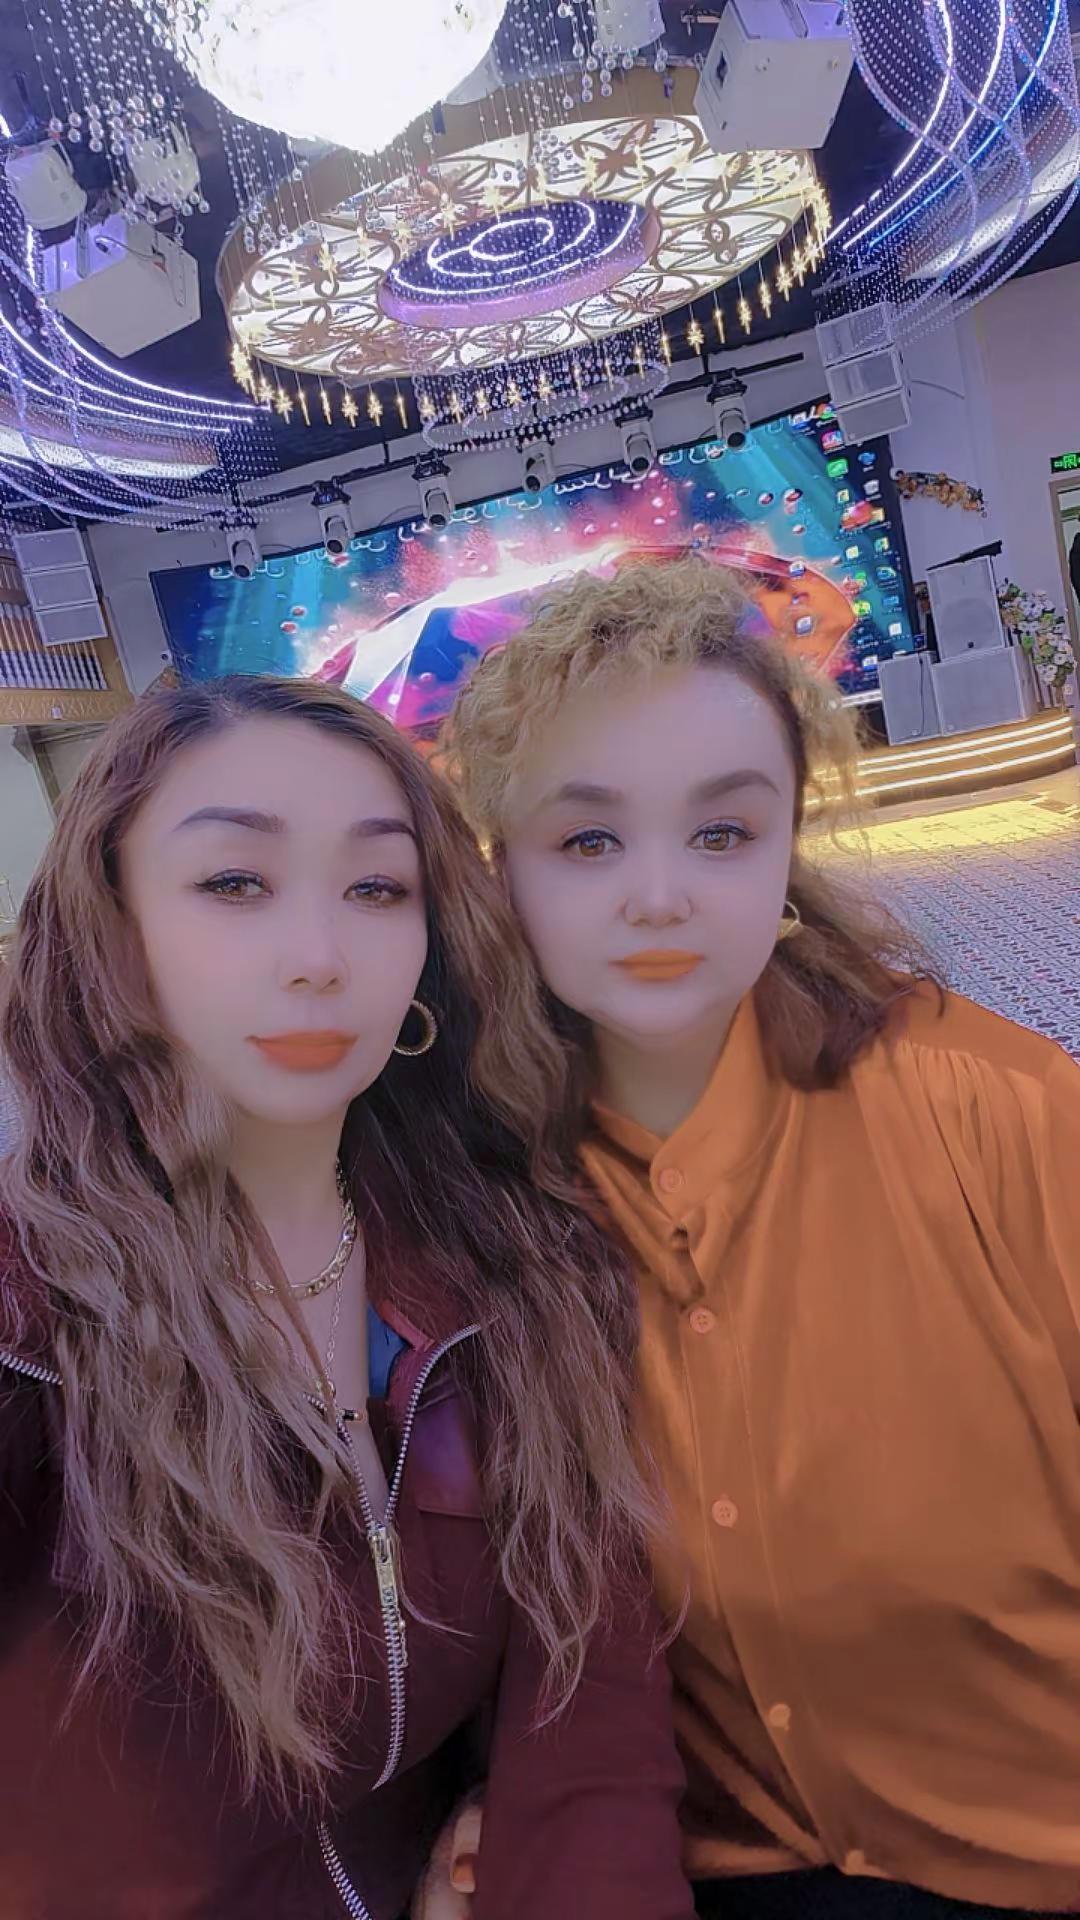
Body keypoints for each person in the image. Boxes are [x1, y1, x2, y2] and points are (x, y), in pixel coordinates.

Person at [437, 555, 1080, 1920]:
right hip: (735, 1874)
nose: (659, 897)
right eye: (588, 841)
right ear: (505, 877)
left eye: (722, 833)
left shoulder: (1004, 1116)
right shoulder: (483, 1198)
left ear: (789, 846)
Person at [0, 674, 695, 1920]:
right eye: (234, 884)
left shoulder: (511, 1266)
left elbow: (589, 1710)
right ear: (114, 927)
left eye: (377, 888)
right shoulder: (30, 1323)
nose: (320, 960)